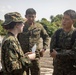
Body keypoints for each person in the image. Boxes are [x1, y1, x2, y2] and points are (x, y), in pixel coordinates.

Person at [17, 8, 49, 75]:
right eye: (29, 16)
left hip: (35, 55)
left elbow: (46, 37)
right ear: (26, 16)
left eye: (33, 16)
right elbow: (16, 39)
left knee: (36, 72)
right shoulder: (21, 26)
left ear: (35, 16)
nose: (31, 18)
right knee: (24, 72)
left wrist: (44, 48)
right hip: (23, 55)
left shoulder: (39, 26)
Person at [50, 9, 76, 75]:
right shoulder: (57, 33)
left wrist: (58, 54)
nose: (64, 21)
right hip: (58, 69)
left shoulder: (74, 34)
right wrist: (67, 51)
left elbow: (74, 54)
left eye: (67, 19)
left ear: (73, 21)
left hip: (72, 70)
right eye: (63, 18)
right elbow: (52, 51)